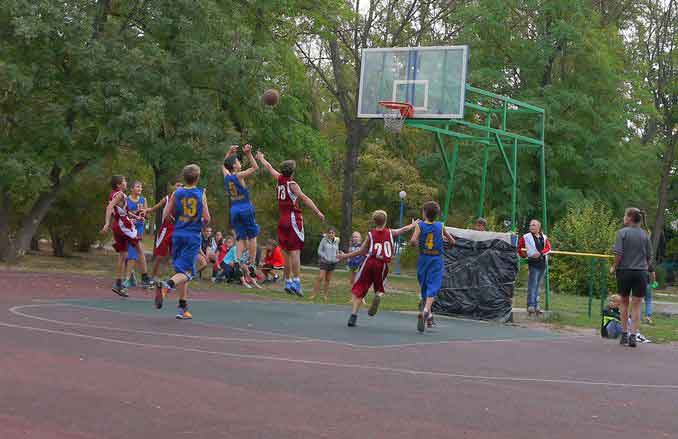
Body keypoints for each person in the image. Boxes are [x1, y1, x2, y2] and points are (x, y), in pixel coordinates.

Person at [256, 151, 325, 297]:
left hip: (282, 220)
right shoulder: (292, 185)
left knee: (286, 253)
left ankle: (287, 281)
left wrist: (261, 158)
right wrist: (318, 212)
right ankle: (296, 282)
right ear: (292, 172)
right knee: (295, 252)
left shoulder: (279, 179)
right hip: (293, 219)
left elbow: (269, 167)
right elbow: (305, 198)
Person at [338, 210, 417, 327]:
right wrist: (412, 225)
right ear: (385, 221)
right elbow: (403, 229)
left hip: (369, 262)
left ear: (374, 221)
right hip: (382, 264)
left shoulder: (370, 234)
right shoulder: (390, 232)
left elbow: (361, 251)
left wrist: (345, 256)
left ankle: (353, 316)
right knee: (380, 287)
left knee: (360, 289)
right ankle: (378, 296)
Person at [154, 164, 211, 319]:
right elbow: (207, 218)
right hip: (192, 236)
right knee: (188, 272)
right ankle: (167, 286)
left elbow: (165, 214)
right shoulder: (201, 193)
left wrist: (176, 222)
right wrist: (198, 224)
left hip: (177, 234)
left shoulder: (177, 192)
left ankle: (183, 308)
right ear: (197, 178)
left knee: (180, 271)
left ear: (184, 178)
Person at [610, 207, 655, 348]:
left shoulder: (622, 233)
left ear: (629, 218)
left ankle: (624, 335)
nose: (623, 217)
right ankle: (633, 336)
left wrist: (614, 267)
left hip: (624, 272)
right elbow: (649, 257)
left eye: (625, 215)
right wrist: (645, 267)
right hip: (640, 273)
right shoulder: (645, 235)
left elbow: (618, 253)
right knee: (637, 305)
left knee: (624, 303)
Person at [100, 175, 152, 297]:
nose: (126, 182)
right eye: (124, 181)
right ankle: (145, 278)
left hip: (118, 226)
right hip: (124, 226)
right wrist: (106, 222)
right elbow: (109, 207)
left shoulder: (114, 194)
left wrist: (136, 217)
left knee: (123, 255)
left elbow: (124, 211)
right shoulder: (120, 195)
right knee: (140, 250)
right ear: (119, 185)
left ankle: (118, 283)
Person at [410, 201, 455, 332]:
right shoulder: (440, 226)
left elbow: (413, 241)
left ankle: (428, 315)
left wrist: (418, 244)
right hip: (436, 259)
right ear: (437, 214)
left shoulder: (419, 226)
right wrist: (445, 242)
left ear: (424, 213)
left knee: (424, 285)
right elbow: (452, 241)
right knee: (433, 286)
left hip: (423, 258)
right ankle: (426, 311)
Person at [223, 144, 261, 281]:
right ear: (234, 166)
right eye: (238, 161)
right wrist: (249, 154)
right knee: (252, 235)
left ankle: (238, 262)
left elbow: (223, 165)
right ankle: (252, 264)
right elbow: (255, 167)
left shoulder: (226, 177)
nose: (240, 162)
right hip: (245, 207)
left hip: (234, 209)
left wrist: (229, 152)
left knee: (240, 238)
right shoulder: (238, 176)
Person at [144, 181, 183, 281]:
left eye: (181, 186)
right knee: (160, 255)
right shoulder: (167, 198)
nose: (179, 187)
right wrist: (148, 210)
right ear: (173, 187)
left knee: (176, 255)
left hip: (177, 230)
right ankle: (152, 277)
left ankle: (174, 279)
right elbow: (156, 207)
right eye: (177, 185)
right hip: (166, 229)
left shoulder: (183, 200)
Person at [517, 219, 551, 315]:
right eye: (530, 225)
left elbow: (548, 248)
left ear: (538, 227)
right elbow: (519, 248)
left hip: (542, 264)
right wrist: (525, 256)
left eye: (533, 225)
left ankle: (536, 305)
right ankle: (531, 305)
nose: (531, 227)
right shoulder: (526, 237)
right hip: (533, 264)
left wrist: (540, 253)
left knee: (538, 286)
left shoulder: (543, 237)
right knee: (532, 285)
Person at [123, 181, 147, 288]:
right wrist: (132, 217)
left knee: (132, 253)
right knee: (126, 254)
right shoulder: (126, 200)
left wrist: (143, 216)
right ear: (132, 189)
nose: (140, 189)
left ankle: (127, 279)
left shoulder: (143, 200)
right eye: (137, 187)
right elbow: (124, 213)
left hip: (139, 229)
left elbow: (145, 214)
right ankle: (132, 276)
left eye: (141, 187)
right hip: (128, 228)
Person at [310, 227, 341, 302]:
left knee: (328, 279)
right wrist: (325, 257)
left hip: (333, 263)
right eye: (329, 233)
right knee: (320, 277)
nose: (331, 234)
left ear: (335, 234)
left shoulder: (337, 241)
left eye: (332, 233)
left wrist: (337, 258)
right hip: (324, 262)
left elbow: (337, 251)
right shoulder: (324, 240)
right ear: (327, 233)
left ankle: (325, 295)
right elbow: (319, 251)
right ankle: (314, 294)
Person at [346, 231, 366, 304]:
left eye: (356, 237)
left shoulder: (362, 246)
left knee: (359, 282)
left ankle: (362, 298)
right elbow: (349, 256)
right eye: (353, 237)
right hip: (352, 266)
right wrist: (348, 264)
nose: (355, 238)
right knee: (352, 281)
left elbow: (364, 256)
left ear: (360, 238)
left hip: (359, 266)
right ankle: (352, 298)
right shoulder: (351, 246)